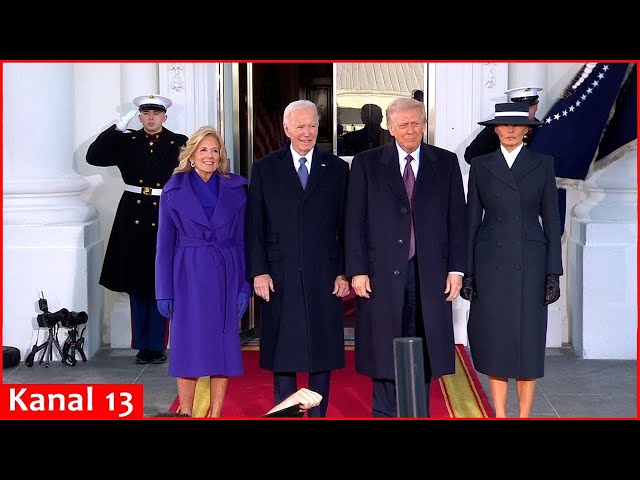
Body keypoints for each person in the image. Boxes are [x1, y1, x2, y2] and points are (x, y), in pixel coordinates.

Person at [344, 97, 467, 417]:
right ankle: (384, 412)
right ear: (389, 126)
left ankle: (416, 410)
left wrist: (456, 269)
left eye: (416, 123)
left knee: (424, 344)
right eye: (403, 124)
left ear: (424, 124)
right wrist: (356, 270)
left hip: (429, 272)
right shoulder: (366, 163)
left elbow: (458, 220)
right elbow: (353, 220)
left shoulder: (446, 162)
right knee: (384, 344)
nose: (410, 130)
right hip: (379, 271)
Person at [245, 99, 350, 418]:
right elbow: (254, 226)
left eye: (313, 126)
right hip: (279, 272)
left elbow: (347, 225)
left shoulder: (336, 168)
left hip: (325, 271)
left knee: (322, 349)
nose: (307, 133)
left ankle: (319, 414)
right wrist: (259, 271)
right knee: (284, 350)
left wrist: (345, 272)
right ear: (286, 128)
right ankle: (286, 413)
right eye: (300, 126)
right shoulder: (265, 167)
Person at [460, 102, 562, 418]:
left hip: (532, 261)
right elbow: (471, 220)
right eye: (504, 126)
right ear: (495, 129)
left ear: (527, 130)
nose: (510, 131)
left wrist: (553, 273)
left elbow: (552, 220)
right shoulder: (480, 165)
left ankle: (524, 415)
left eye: (517, 126)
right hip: (489, 261)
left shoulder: (543, 163)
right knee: (496, 340)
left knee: (529, 342)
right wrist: (468, 272)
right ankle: (501, 415)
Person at [155, 126, 251, 418]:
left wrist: (243, 286)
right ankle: (186, 413)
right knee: (188, 349)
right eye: (204, 150)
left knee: (222, 349)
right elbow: (164, 245)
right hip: (188, 276)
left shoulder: (236, 187)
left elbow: (242, 240)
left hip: (226, 274)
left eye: (215, 150)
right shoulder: (174, 188)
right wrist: (164, 292)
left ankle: (216, 413)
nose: (210, 156)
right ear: (192, 155)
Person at [86, 94, 188, 365]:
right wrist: (117, 128)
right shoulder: (127, 141)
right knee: (135, 281)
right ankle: (142, 344)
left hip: (165, 210)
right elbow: (93, 157)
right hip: (131, 212)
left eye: (156, 113)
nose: (151, 118)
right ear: (139, 116)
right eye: (145, 113)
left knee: (160, 280)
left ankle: (156, 344)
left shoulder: (178, 142)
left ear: (165, 117)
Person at [463, 86, 543, 165]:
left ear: (536, 107)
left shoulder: (542, 131)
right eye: (520, 106)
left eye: (529, 106)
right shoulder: (498, 128)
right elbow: (471, 156)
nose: (525, 110)